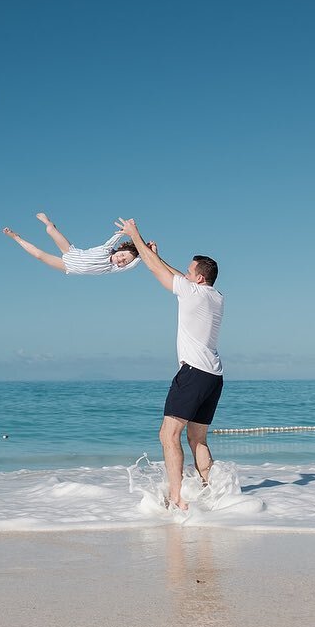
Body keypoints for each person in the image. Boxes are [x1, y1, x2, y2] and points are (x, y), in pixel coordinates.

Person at [115, 217, 223, 511]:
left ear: (199, 278)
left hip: (192, 373)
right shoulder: (215, 296)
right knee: (197, 438)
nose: (185, 274)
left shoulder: (191, 292)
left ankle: (177, 498)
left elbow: (154, 269)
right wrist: (157, 254)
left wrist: (135, 235)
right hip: (213, 375)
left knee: (168, 434)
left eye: (190, 271)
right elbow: (173, 273)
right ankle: (210, 491)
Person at [3, 212, 142, 275]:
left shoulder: (111, 268)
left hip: (68, 266)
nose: (121, 260)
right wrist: (131, 230)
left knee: (39, 255)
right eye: (123, 255)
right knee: (50, 229)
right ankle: (48, 222)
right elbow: (117, 236)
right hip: (71, 252)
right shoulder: (106, 250)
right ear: (120, 250)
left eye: (124, 262)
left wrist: (148, 252)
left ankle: (16, 237)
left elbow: (136, 261)